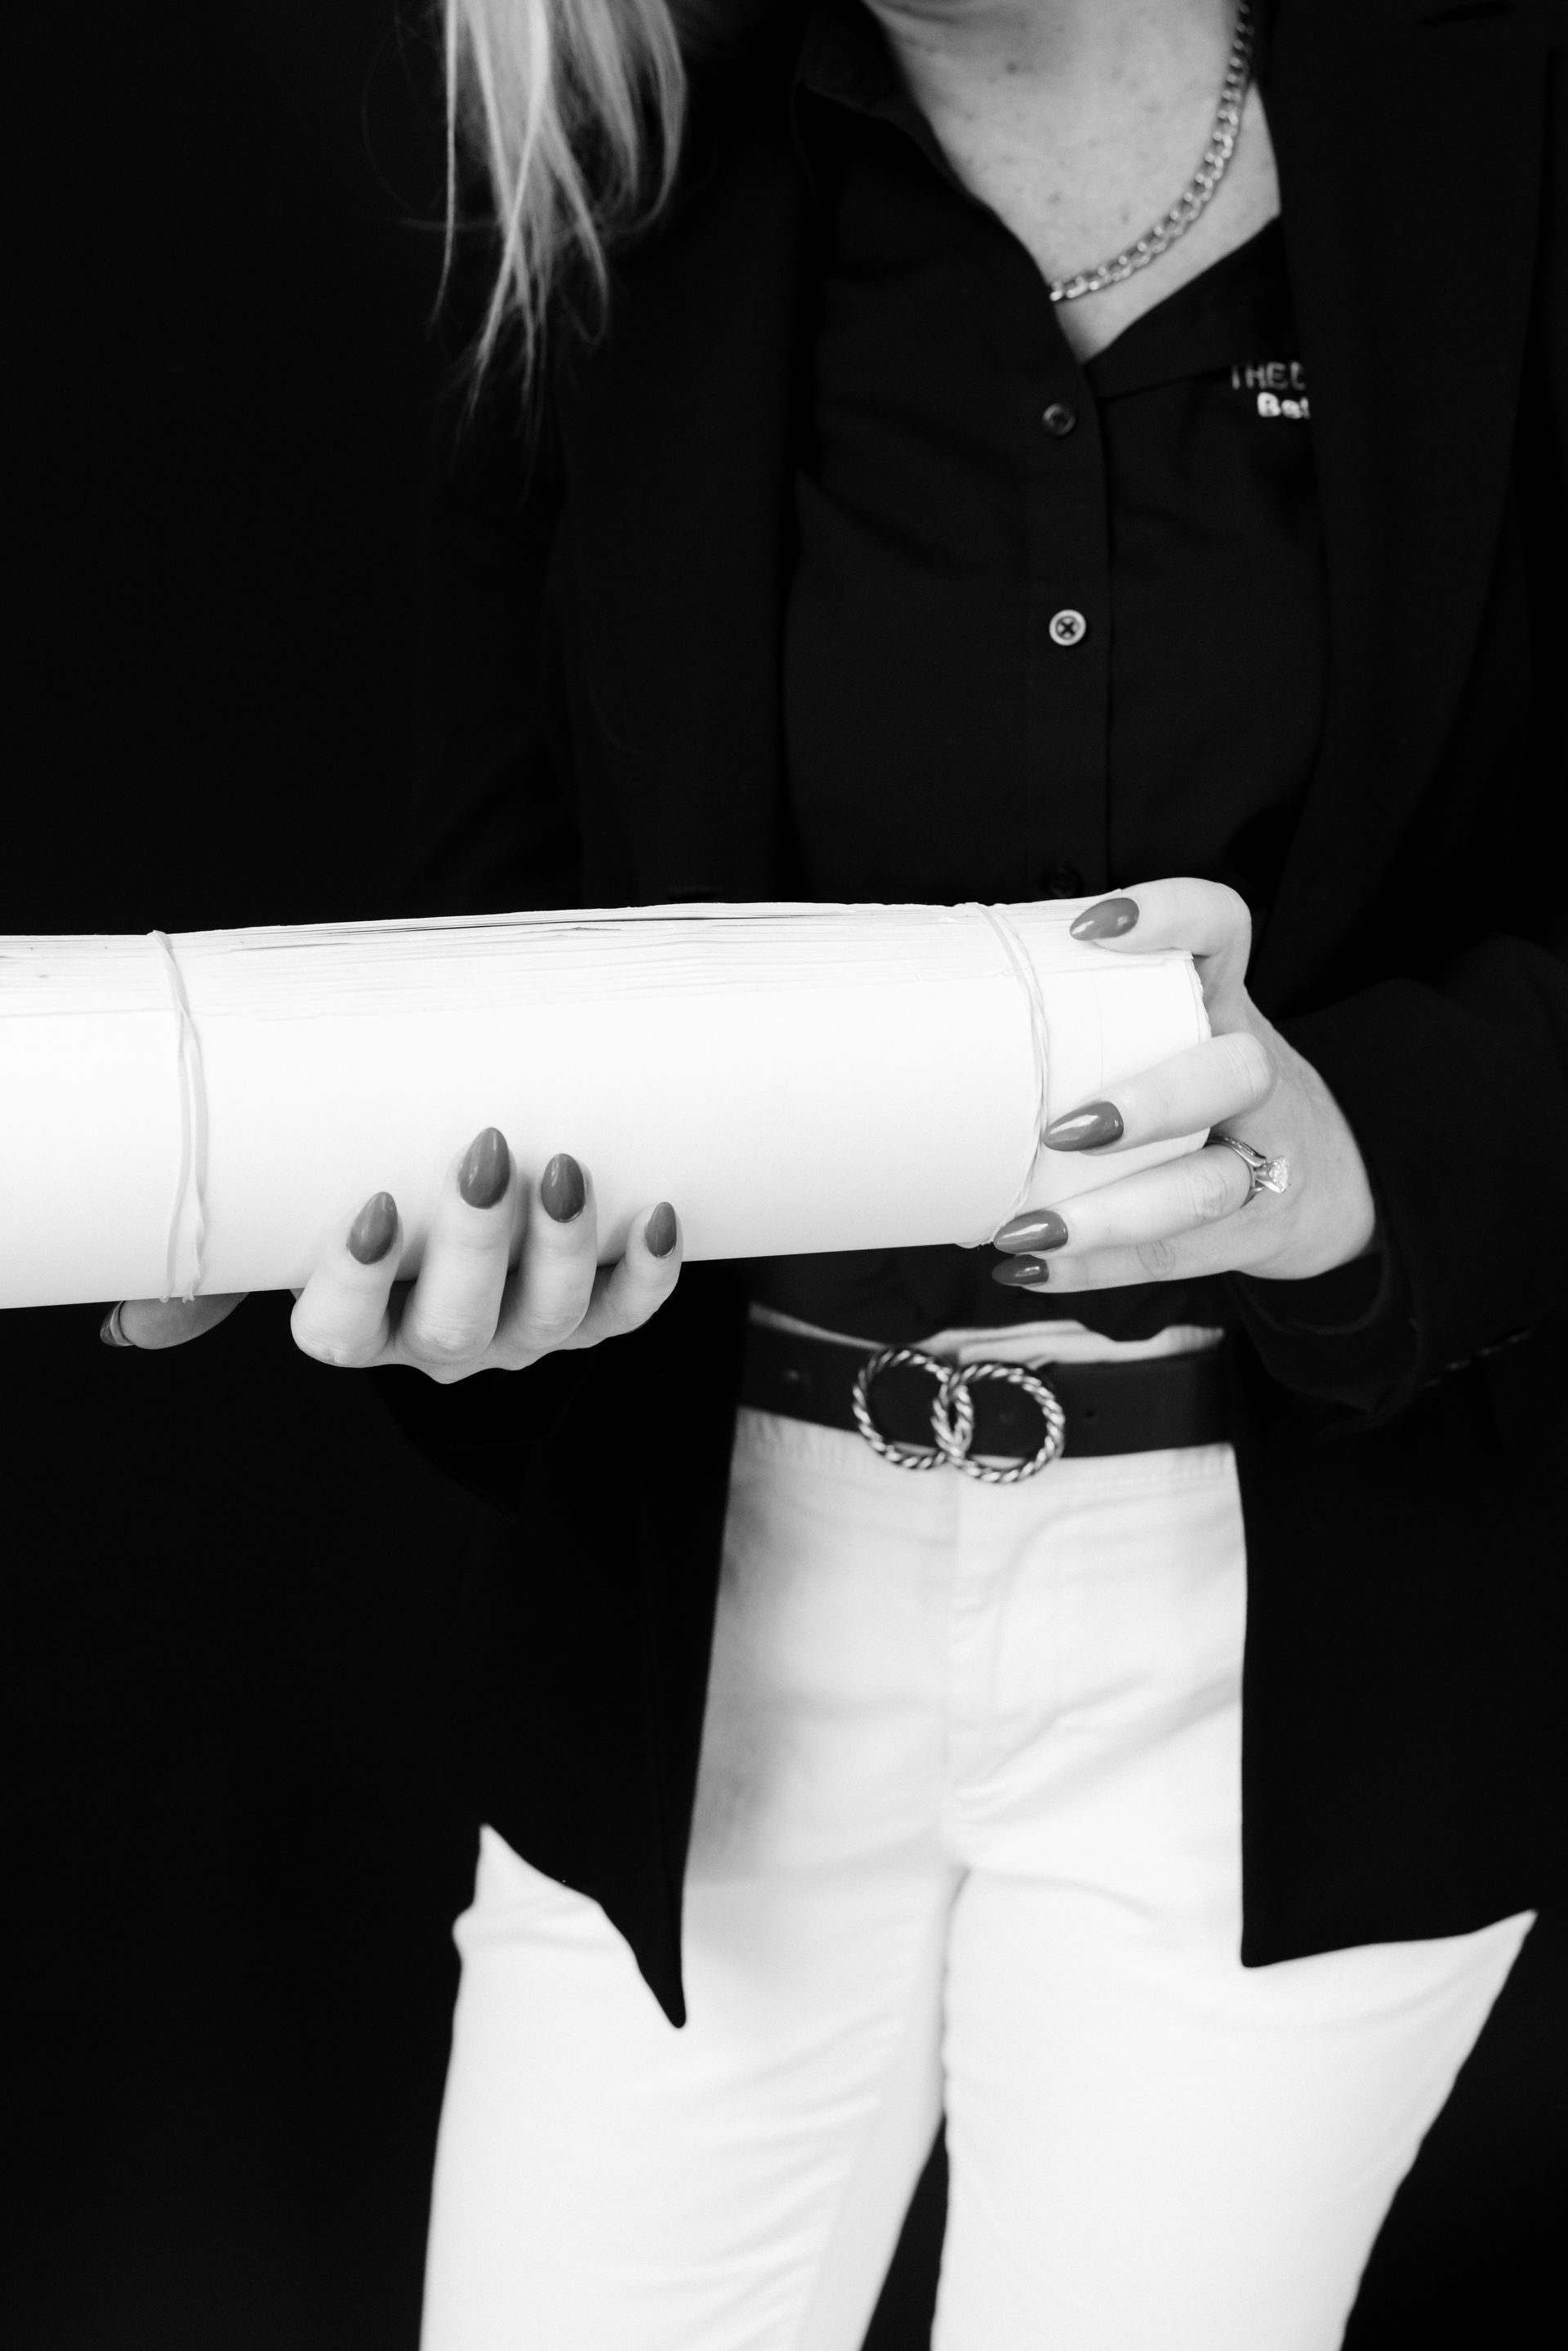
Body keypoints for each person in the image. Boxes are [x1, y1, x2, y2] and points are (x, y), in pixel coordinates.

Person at [109, 0, 1568, 2344]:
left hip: (1293, 1657)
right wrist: (450, 1266)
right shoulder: (618, 193)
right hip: (715, 1625)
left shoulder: (1501, 120)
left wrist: (1361, 1150)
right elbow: (510, 924)